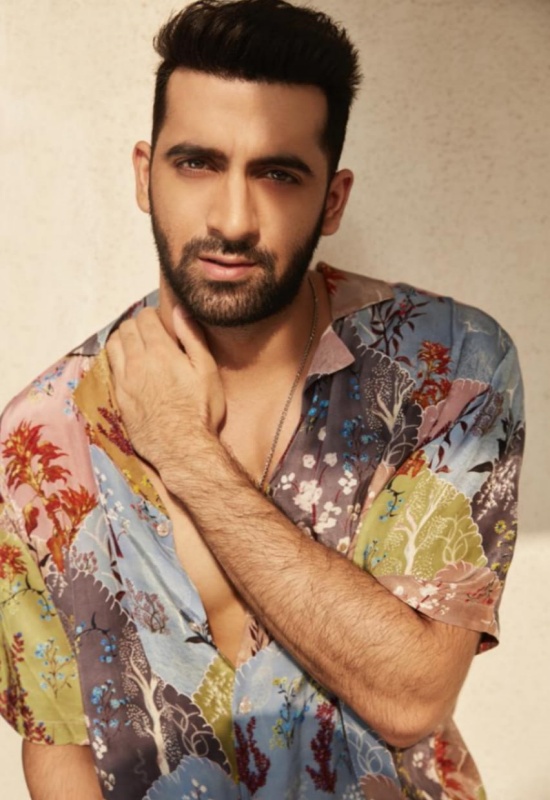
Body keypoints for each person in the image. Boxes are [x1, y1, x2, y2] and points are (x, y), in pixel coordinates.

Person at [0, 1, 524, 798]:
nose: (234, 220)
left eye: (277, 174)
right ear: (144, 174)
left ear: (333, 200)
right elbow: (60, 745)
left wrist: (185, 450)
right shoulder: (42, 436)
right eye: (197, 163)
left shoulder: (449, 369)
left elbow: (413, 696)